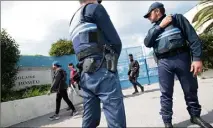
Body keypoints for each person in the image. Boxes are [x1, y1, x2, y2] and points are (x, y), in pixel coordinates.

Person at [143, 2, 212, 128]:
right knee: (166, 93)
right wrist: (160, 27)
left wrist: (197, 58)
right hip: (164, 62)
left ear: (157, 11)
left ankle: (195, 116)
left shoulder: (177, 18)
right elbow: (147, 42)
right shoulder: (153, 29)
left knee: (190, 88)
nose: (148, 18)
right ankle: (167, 122)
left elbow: (193, 38)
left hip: (182, 57)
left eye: (149, 14)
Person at [68, 0, 126, 127]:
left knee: (90, 119)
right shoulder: (94, 8)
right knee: (115, 118)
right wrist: (111, 63)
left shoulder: (73, 20)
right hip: (102, 69)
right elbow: (116, 42)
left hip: (85, 74)